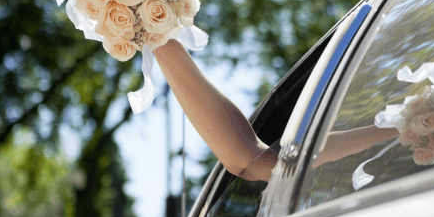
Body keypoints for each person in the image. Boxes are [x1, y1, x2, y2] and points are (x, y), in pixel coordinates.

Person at [153, 39, 399, 182]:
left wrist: (157, 36)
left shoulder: (410, 132)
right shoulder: (408, 131)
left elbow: (249, 161)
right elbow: (252, 161)